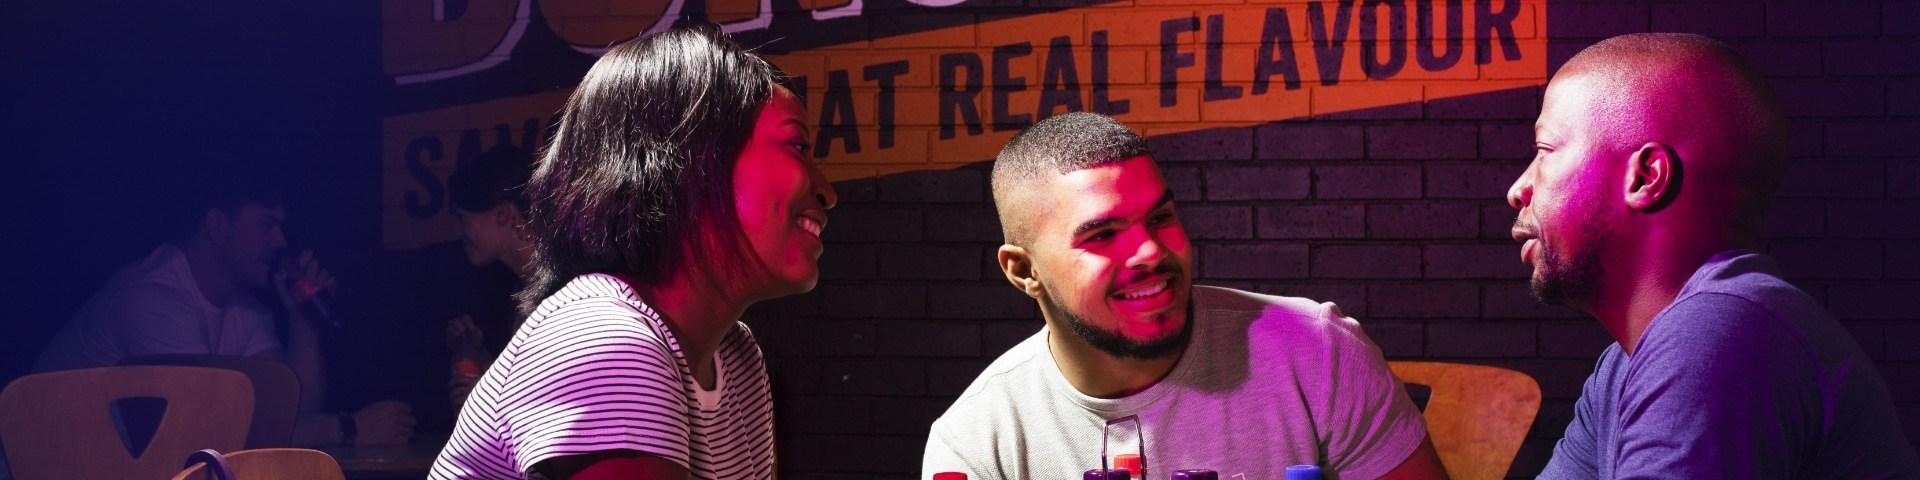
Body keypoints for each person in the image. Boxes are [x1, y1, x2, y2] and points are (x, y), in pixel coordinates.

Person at [922, 112, 1445, 480]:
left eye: (1160, 218)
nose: (1150, 250)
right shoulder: (975, 443)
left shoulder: (1320, 352)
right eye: (1102, 235)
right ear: (1022, 270)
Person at [429, 24, 836, 480]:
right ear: (691, 162)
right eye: (796, 145)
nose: (827, 192)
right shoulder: (607, 337)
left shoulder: (737, 359)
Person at [1512, 33, 1920, 478]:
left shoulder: (1714, 333)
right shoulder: (1620, 370)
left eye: (1544, 151)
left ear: (1646, 177)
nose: (1519, 190)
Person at [33, 183, 415, 447]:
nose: (281, 241)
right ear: (217, 226)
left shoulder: (245, 308)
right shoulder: (152, 299)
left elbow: (291, 413)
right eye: (267, 224)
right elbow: (209, 433)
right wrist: (349, 428)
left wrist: (302, 320)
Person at [443, 143, 537, 410]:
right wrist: (482, 364)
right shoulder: (527, 287)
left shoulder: (562, 286)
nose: (458, 231)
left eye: (463, 218)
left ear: (504, 214)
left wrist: (487, 397)